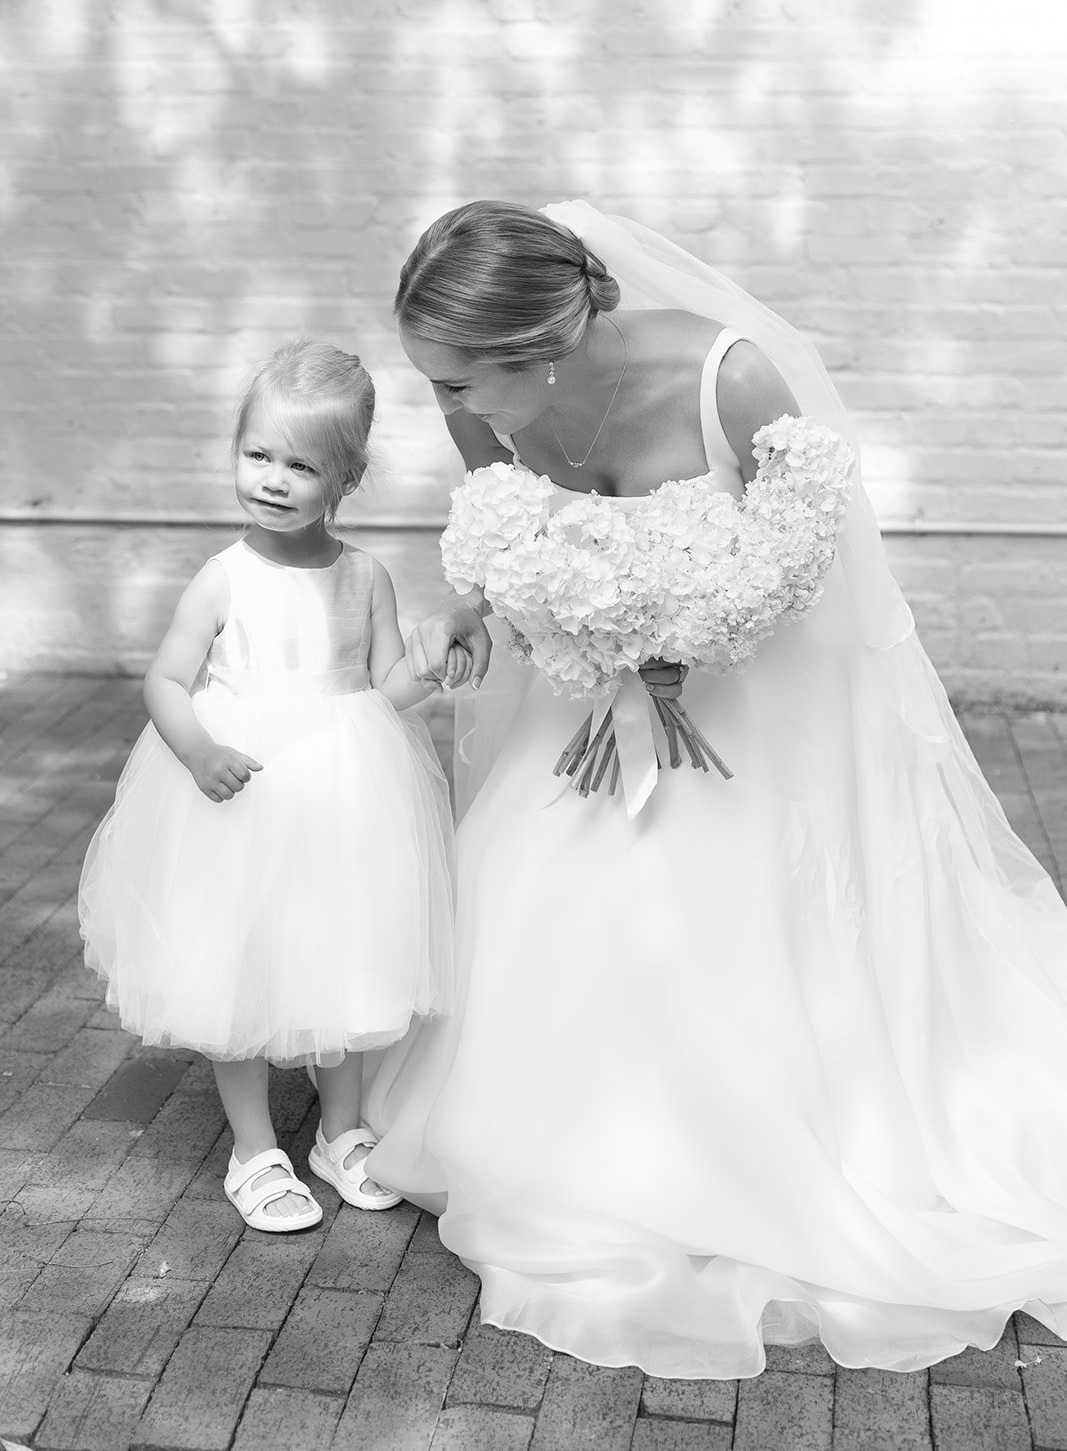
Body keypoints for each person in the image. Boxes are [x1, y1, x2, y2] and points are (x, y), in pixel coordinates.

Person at [365, 199, 1067, 1378]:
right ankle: (589, 1136)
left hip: (763, 689)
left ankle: (772, 1131)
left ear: (542, 344)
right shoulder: (478, 408)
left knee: (743, 893)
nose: (451, 409)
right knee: (567, 882)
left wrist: (686, 646)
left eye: (463, 380)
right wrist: (553, 639)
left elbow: (809, 556)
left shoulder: (729, 380)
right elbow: (509, 536)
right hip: (588, 692)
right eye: (432, 382)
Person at [79, 340, 457, 1232]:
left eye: (302, 465)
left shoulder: (365, 577)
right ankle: (255, 1150)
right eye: (258, 455)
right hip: (240, 790)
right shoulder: (223, 579)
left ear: (348, 477)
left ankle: (342, 1131)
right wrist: (199, 752)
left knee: (348, 953)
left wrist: (435, 661)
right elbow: (166, 682)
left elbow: (387, 687)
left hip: (345, 789)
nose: (275, 480)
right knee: (235, 966)